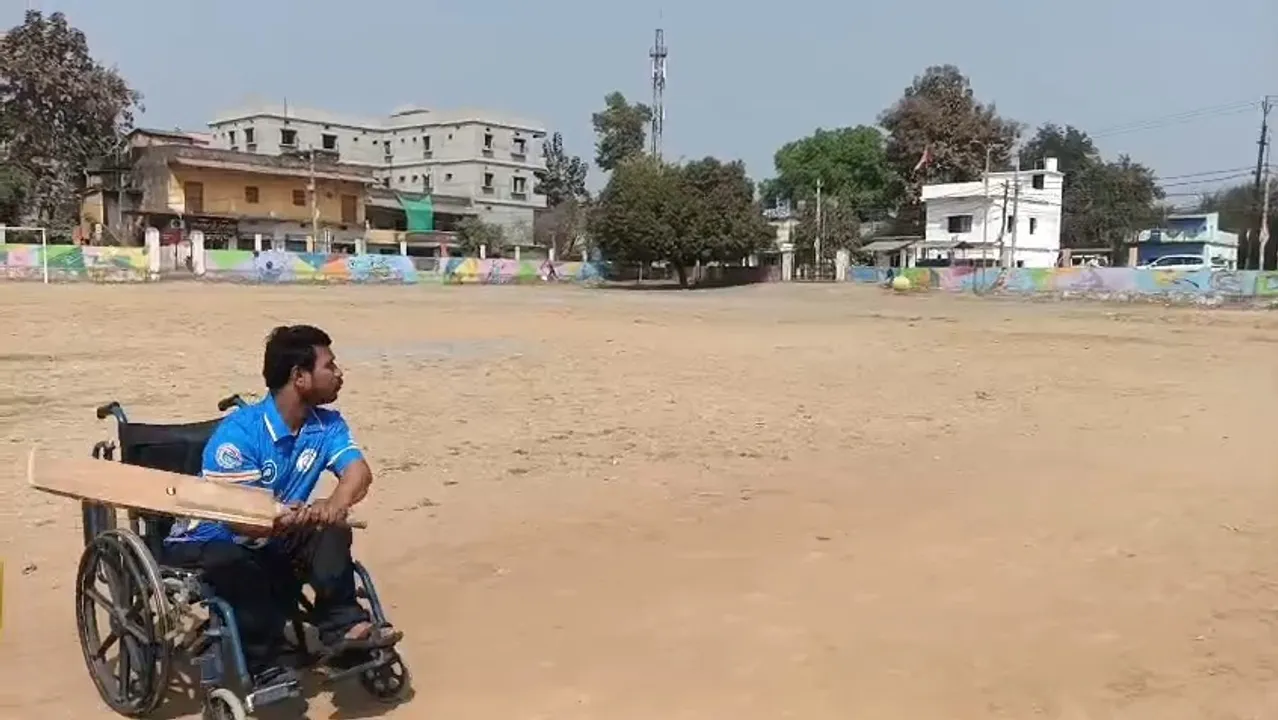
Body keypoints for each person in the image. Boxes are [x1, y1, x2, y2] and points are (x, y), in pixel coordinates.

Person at [163, 324, 400, 687]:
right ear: (299, 377)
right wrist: (287, 516)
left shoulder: (327, 424)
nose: (339, 374)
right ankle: (262, 661)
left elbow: (358, 473)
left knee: (332, 529)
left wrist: (334, 504)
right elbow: (242, 521)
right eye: (330, 366)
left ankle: (344, 627)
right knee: (238, 562)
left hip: (275, 532)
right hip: (213, 536)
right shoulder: (238, 436)